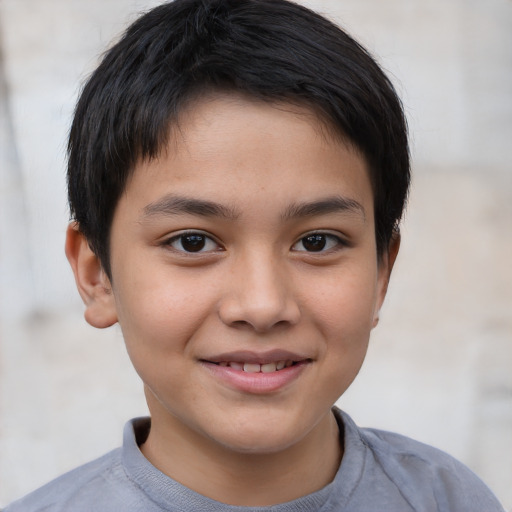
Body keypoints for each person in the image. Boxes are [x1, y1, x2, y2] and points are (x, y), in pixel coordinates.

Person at [5, 0, 505, 510]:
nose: (263, 306)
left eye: (317, 242)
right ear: (97, 276)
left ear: (382, 272)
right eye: (193, 242)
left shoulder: (448, 499)